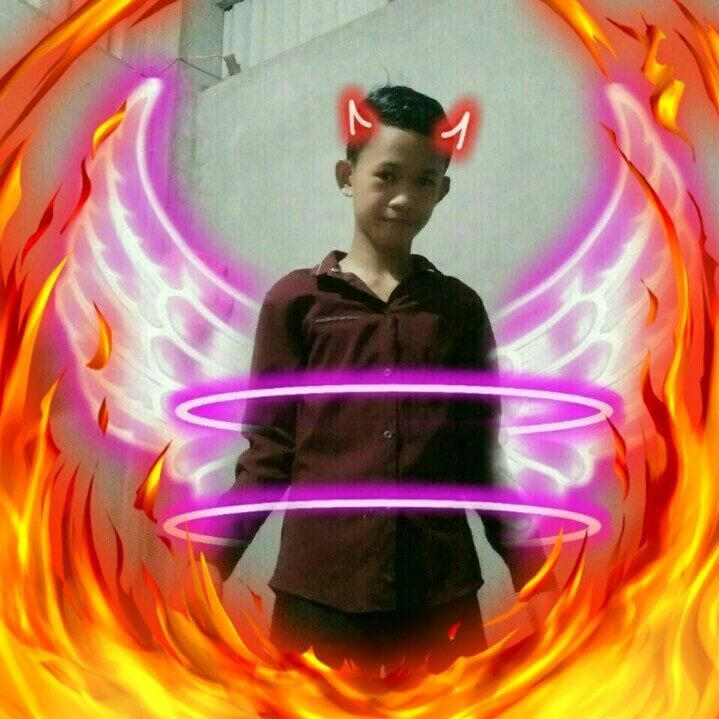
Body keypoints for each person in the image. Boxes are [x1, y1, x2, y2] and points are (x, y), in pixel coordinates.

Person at [200, 83, 550, 676]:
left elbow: (478, 456)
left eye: (424, 181)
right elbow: (269, 452)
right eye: (386, 175)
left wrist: (535, 571)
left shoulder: (458, 311)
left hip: (439, 601)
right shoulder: (296, 303)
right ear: (347, 176)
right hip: (319, 599)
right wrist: (209, 562)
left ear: (442, 190)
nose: (404, 198)